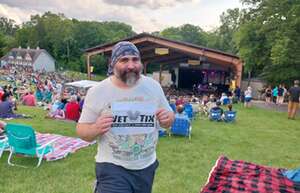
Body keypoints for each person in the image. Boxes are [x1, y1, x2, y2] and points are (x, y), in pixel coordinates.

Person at [76, 41, 174, 193]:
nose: (131, 65)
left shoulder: (153, 87)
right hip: (112, 167)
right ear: (113, 63)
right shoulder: (98, 91)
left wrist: (168, 119)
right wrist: (95, 128)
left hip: (146, 167)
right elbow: (82, 130)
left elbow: (169, 118)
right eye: (124, 60)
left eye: (135, 59)